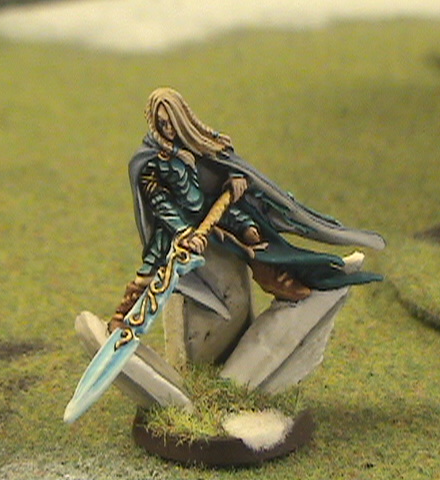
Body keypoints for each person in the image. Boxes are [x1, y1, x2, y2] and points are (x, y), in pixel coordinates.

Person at [109, 87, 385, 331]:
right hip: (176, 224)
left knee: (252, 232)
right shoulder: (151, 162)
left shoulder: (197, 143)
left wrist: (235, 179)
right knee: (151, 267)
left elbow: (225, 164)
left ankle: (272, 276)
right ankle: (122, 316)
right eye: (162, 124)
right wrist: (184, 232)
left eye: (172, 122)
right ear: (154, 123)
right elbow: (160, 202)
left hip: (213, 209)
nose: (169, 129)